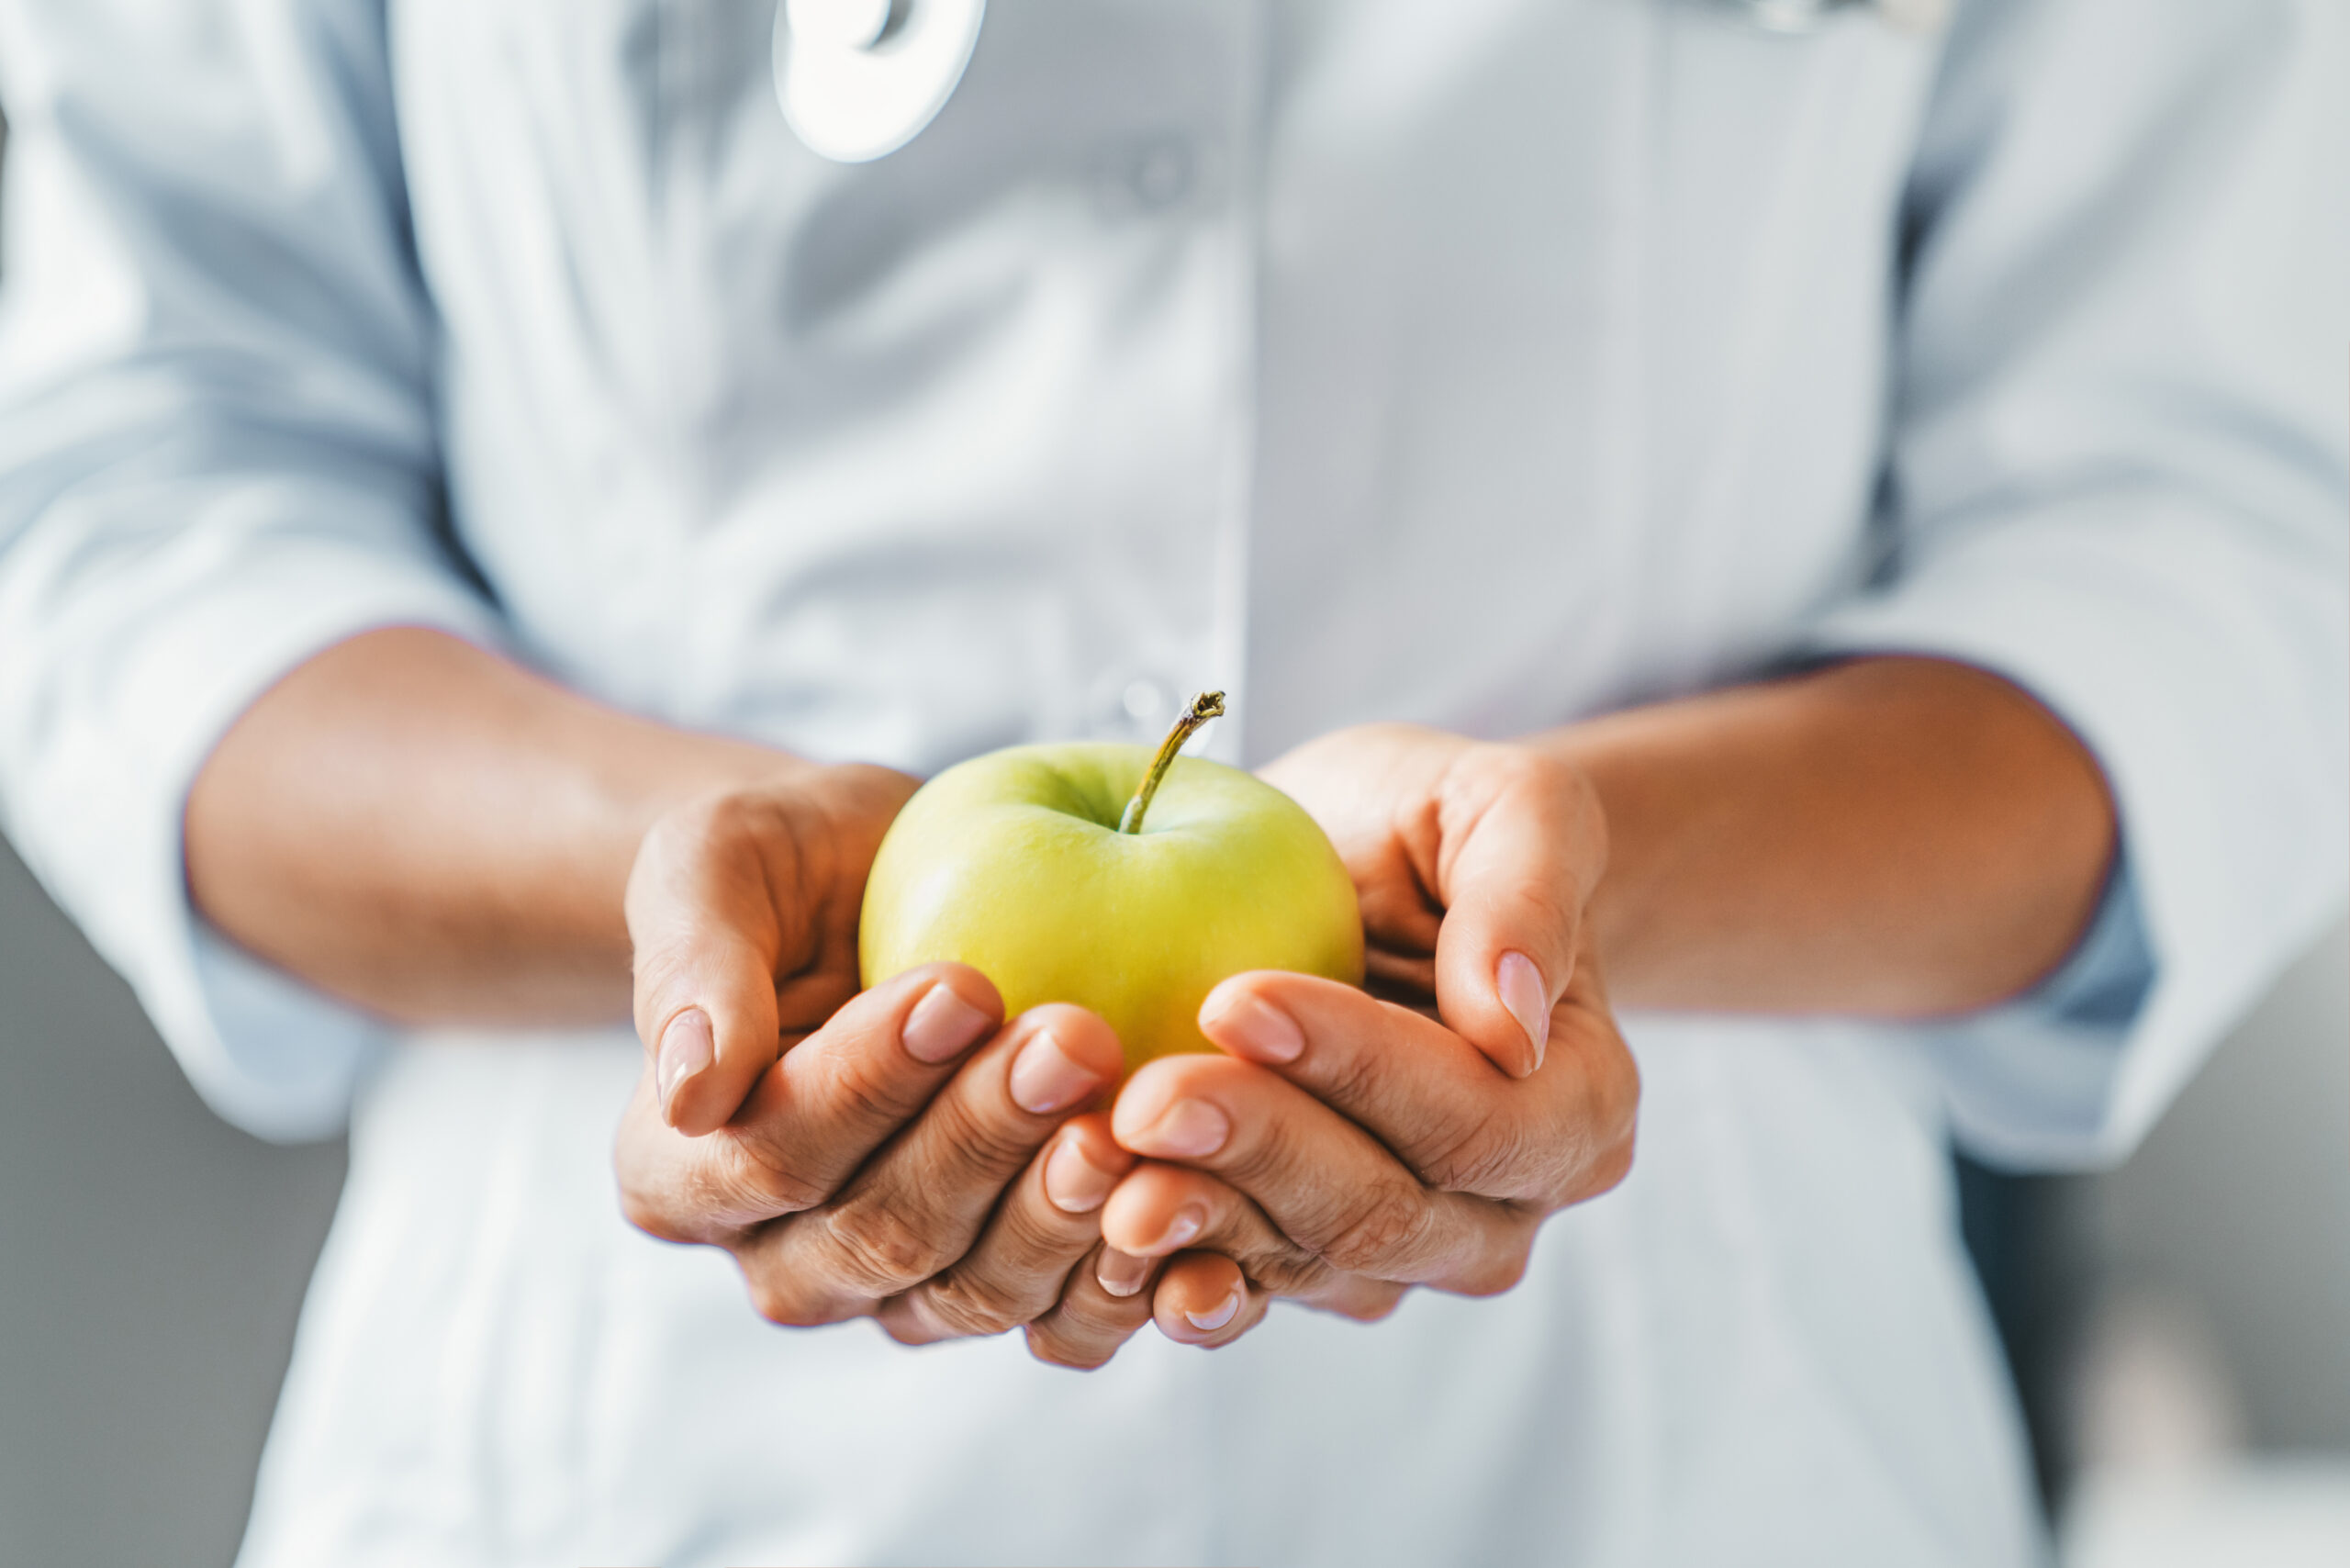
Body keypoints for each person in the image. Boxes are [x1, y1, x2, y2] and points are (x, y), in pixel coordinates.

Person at [0, 0, 2340, 1562]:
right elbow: (124, 502)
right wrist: (681, 901)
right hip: (622, 1456)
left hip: (1680, 1442)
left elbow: (2206, 532)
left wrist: (1556, 897)